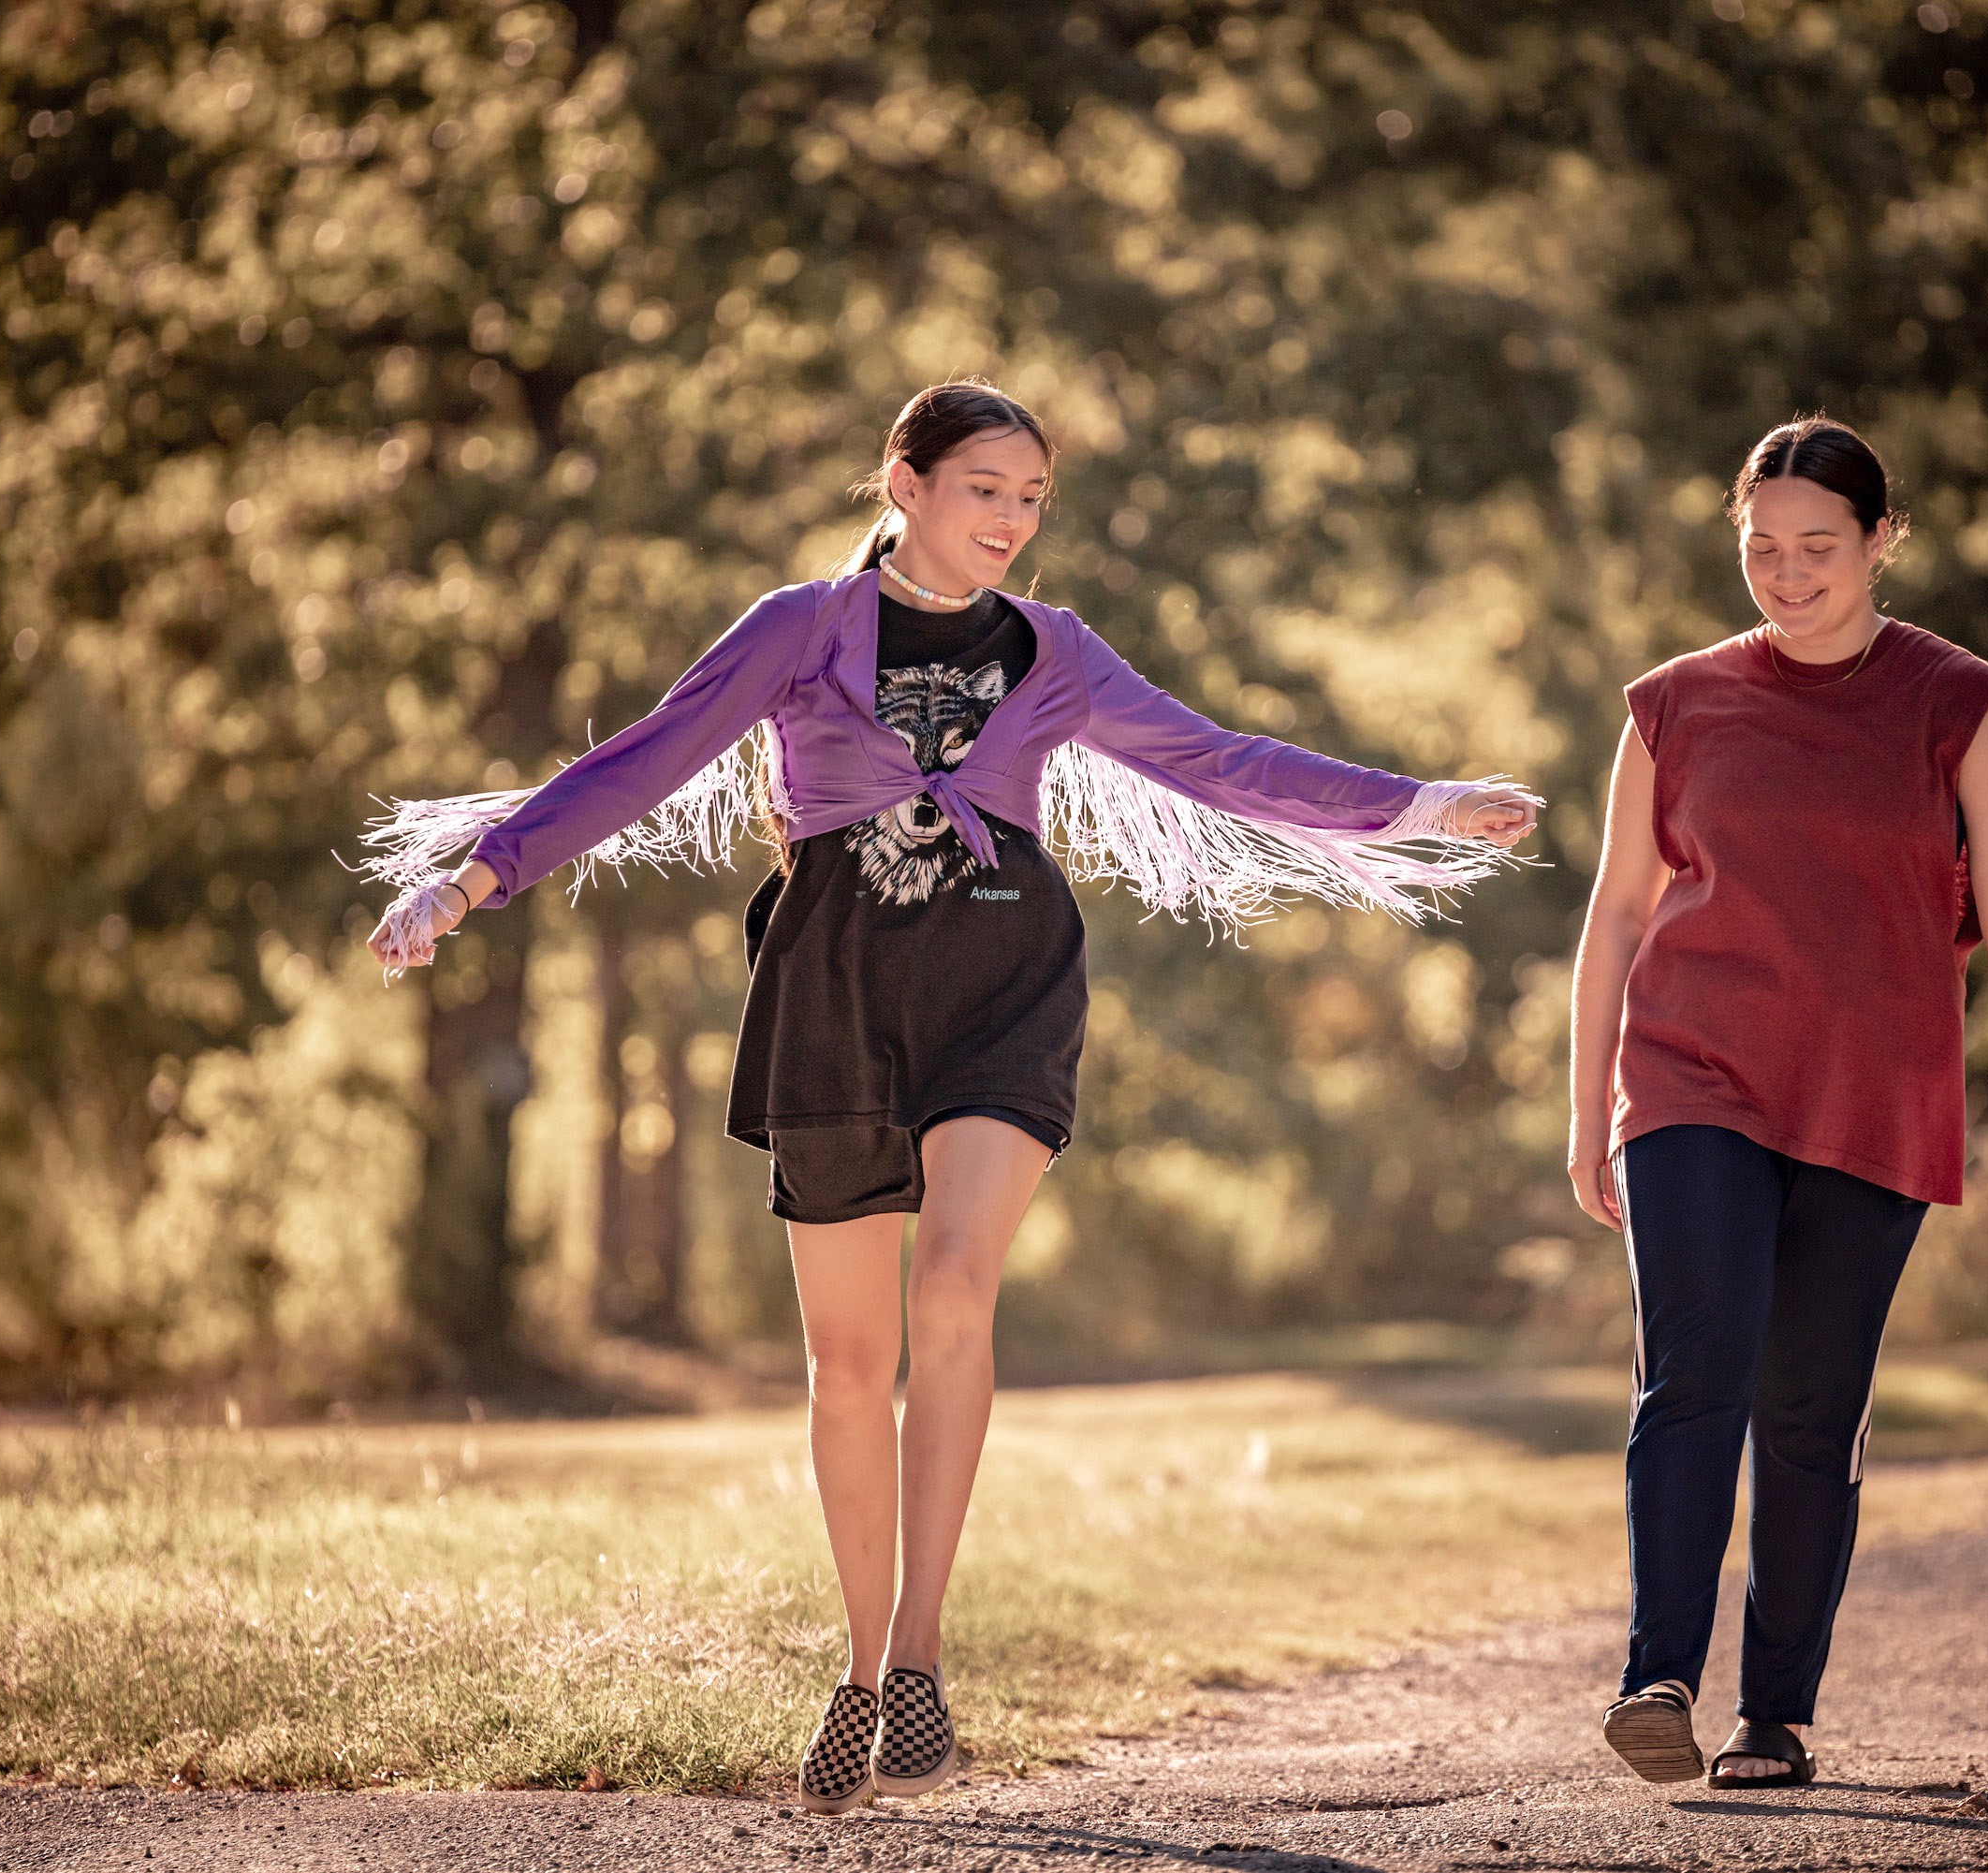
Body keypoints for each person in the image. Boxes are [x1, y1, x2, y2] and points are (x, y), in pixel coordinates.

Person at [363, 380, 1540, 1813]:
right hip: (835, 993)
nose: (1013, 519)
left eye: (1033, 496)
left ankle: (921, 1649)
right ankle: (863, 1674)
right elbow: (643, 758)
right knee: (849, 1368)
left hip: (1004, 983)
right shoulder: (802, 628)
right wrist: (474, 873)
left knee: (955, 1293)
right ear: (903, 482)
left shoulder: (1058, 650)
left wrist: (1420, 804)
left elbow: (1224, 761)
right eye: (987, 487)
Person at [1566, 416, 1988, 1791]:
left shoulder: (1962, 703)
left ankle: (1775, 1711)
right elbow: (1618, 914)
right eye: (1761, 548)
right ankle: (1658, 1676)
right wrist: (1585, 1107)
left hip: (1876, 1089)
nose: (1787, 575)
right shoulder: (1672, 704)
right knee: (1697, 1371)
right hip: (1691, 1073)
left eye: (1817, 548)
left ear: (1879, 542)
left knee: (1810, 1405)